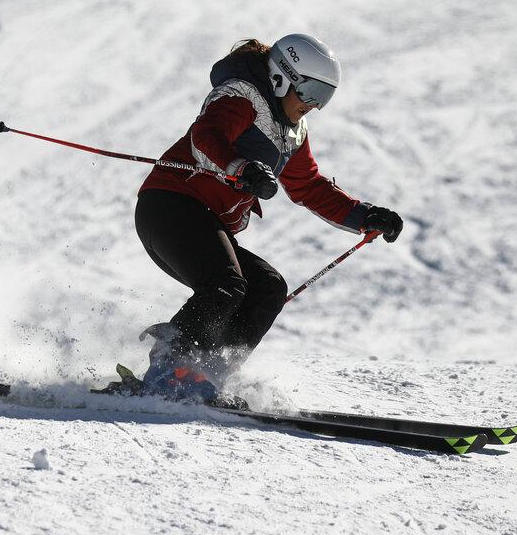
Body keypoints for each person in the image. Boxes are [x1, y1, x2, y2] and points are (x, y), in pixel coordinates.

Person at [134, 34, 403, 401]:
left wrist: (365, 216)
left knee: (267, 287)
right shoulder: (242, 98)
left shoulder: (291, 132)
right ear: (281, 77)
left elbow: (308, 185)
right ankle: (169, 369)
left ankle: (208, 374)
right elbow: (207, 136)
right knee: (226, 284)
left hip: (206, 222)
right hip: (170, 208)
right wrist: (240, 167)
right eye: (309, 92)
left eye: (324, 97)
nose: (313, 106)